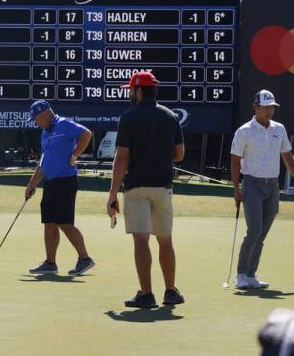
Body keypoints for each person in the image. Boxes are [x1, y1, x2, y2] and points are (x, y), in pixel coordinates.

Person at [107, 71, 185, 308]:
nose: (129, 93)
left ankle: (147, 294)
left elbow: (121, 158)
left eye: (131, 89)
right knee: (165, 241)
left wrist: (112, 195)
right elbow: (180, 154)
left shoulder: (129, 117)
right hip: (163, 186)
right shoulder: (171, 116)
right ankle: (171, 291)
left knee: (141, 241)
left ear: (139, 91)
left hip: (136, 187)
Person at [229, 90, 294, 290]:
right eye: (266, 107)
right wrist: (236, 188)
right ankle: (241, 274)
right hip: (252, 184)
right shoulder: (244, 131)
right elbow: (235, 161)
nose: (270, 110)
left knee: (262, 234)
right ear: (255, 107)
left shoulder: (279, 129)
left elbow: (286, 155)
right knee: (254, 230)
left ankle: (252, 275)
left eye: (272, 107)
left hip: (273, 186)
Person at [24, 100, 95, 276]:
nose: (36, 122)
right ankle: (50, 263)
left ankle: (85, 258)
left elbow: (86, 133)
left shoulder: (63, 123)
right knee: (49, 222)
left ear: (45, 114)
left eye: (36, 119)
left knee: (64, 222)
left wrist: (75, 154)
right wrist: (32, 183)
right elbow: (43, 161)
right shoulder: (45, 133)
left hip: (65, 181)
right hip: (50, 182)